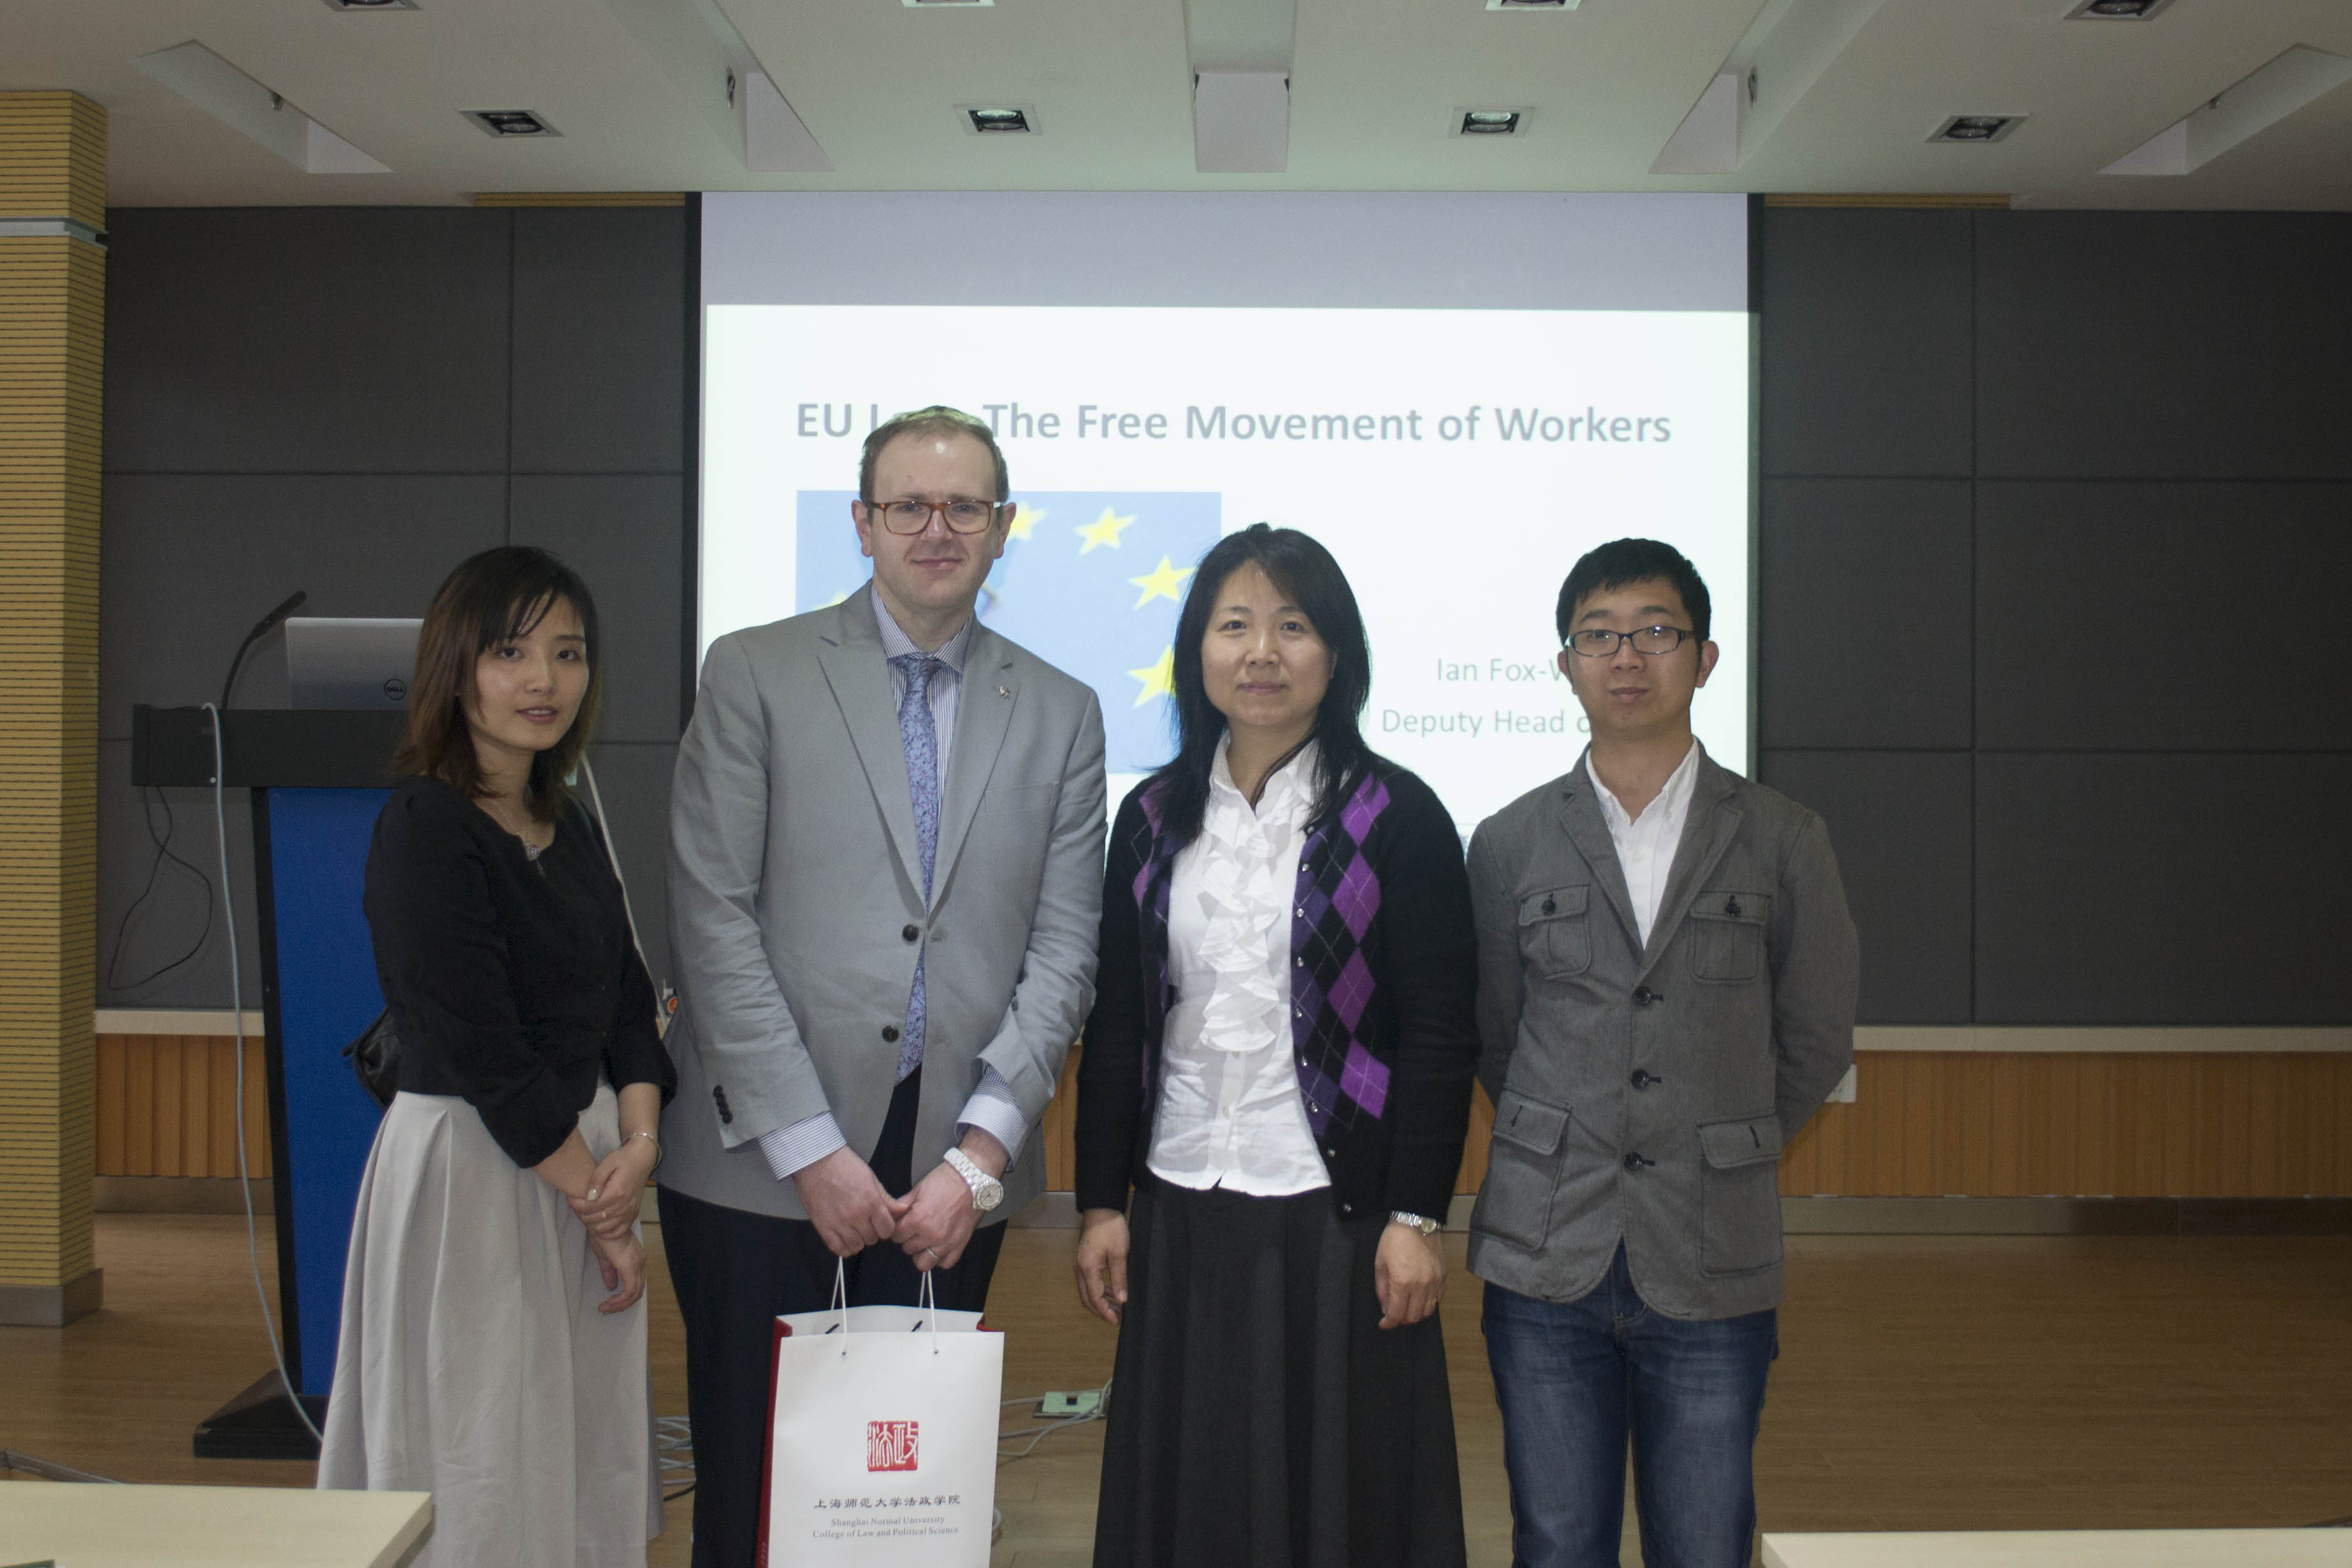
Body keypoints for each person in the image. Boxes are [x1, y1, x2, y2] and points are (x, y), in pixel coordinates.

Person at [657, 405, 1107, 1568]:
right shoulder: (754, 671)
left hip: (950, 1173)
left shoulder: (1061, 709)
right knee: (756, 1498)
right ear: (862, 523)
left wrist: (977, 1162)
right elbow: (711, 916)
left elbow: (1065, 949)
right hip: (763, 1164)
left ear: (1003, 526)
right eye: (908, 505)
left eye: (964, 507)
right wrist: (811, 1149)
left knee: (907, 1506)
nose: (936, 529)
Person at [1074, 523, 1479, 1568]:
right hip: (1182, 1200)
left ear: (1335, 655)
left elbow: (1439, 1034)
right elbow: (1120, 1022)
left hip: (1336, 1213)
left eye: (1292, 626)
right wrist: (1101, 1202)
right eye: (1234, 625)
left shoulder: (1397, 815)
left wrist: (1415, 1215)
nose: (1261, 652)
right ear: (1196, 652)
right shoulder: (1149, 817)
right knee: (1195, 1481)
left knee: (1342, 1490)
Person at [1466, 538, 1858, 1568]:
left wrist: (1726, 1135)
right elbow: (1496, 1033)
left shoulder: (1782, 836)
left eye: (1653, 632)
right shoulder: (1507, 840)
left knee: (1704, 1541)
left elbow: (1815, 1031)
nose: (1625, 657)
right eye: (1597, 636)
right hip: (1546, 1249)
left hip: (1711, 1247)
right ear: (1564, 664)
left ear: (1704, 656)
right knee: (1556, 1540)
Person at [319, 546, 674, 1568]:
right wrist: (601, 1203)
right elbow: (482, 1049)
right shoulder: (424, 826)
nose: (544, 680)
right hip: (477, 1172)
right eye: (511, 652)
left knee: (576, 1447)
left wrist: (640, 1147)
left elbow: (626, 1003)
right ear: (456, 667)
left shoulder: (567, 820)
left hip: (588, 1165)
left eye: (568, 653)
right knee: (477, 1444)